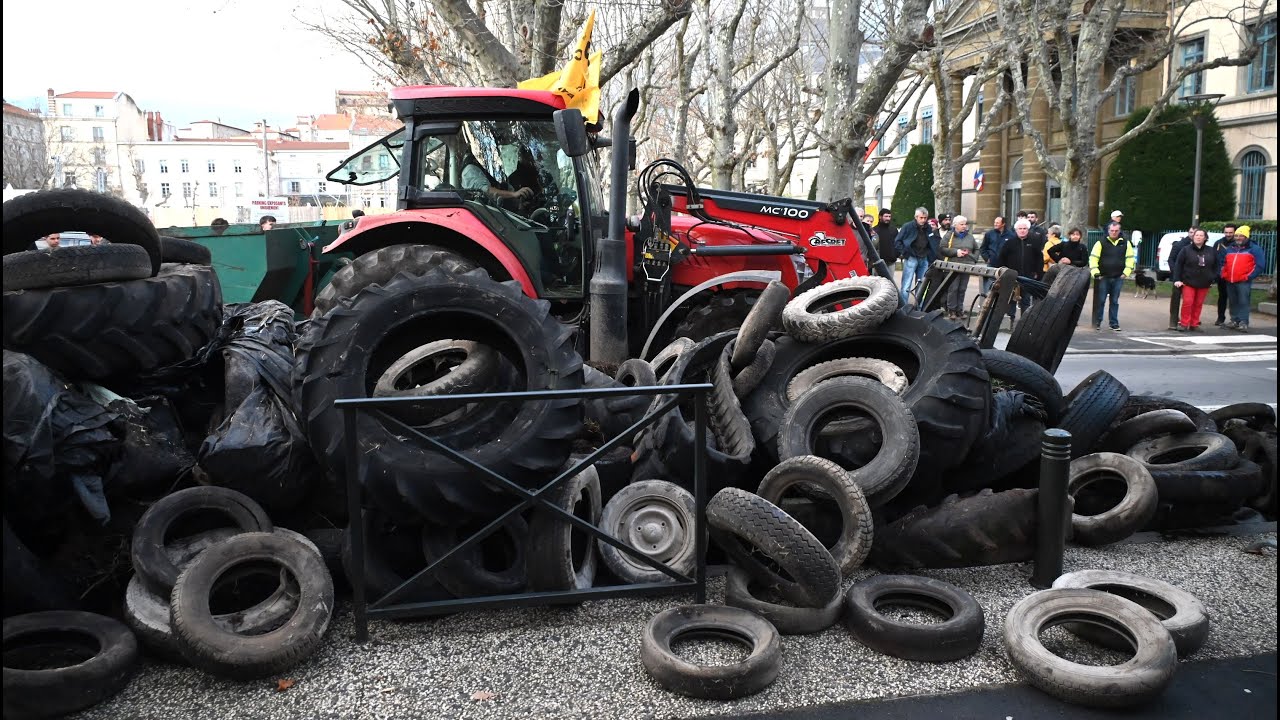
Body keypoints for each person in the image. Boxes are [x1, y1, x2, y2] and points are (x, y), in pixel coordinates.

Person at [994, 217, 1044, 325]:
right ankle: (1010, 321)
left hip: (1028, 277)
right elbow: (1002, 259)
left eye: (1024, 228)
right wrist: (1001, 273)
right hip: (1012, 277)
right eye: (1020, 228)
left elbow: (1039, 259)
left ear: (1028, 229)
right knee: (1011, 299)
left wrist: (1038, 273)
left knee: (1026, 300)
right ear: (1016, 230)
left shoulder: (1034, 242)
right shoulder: (1010, 243)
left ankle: (1024, 322)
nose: (1022, 230)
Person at [1088, 221, 1134, 331]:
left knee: (1114, 301)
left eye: (1116, 231)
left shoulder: (1126, 243)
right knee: (1101, 300)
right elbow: (1093, 258)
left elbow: (1130, 258)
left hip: (1118, 277)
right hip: (1103, 276)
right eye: (1112, 231)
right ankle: (1097, 322)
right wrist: (1096, 272)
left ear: (1119, 231)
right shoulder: (1100, 242)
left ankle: (1113, 323)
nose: (1114, 232)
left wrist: (1126, 272)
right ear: (1108, 231)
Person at [1171, 228, 1220, 332]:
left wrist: (1213, 277)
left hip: (1204, 282)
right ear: (1193, 237)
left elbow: (1217, 266)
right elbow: (1178, 265)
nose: (1198, 237)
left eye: (1201, 235)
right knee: (1188, 302)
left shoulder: (1211, 251)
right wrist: (1177, 279)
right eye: (1196, 235)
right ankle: (1184, 323)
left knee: (1198, 304)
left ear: (1205, 238)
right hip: (1188, 281)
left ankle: (1194, 323)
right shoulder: (1185, 250)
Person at [1219, 225, 1265, 332]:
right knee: (1233, 301)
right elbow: (1224, 263)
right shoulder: (1230, 248)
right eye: (1236, 235)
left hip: (1244, 280)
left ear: (1246, 237)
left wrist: (1248, 276)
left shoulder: (1254, 249)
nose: (1238, 238)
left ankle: (1243, 322)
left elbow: (1260, 265)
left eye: (1241, 236)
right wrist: (1224, 273)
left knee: (1243, 301)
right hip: (1230, 279)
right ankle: (1234, 320)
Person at [893, 207, 939, 305]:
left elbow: (932, 243)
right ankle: (903, 307)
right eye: (921, 218)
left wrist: (931, 256)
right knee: (906, 285)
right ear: (916, 217)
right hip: (911, 258)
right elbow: (897, 241)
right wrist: (906, 254)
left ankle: (919, 307)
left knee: (922, 285)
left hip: (924, 258)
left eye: (925, 218)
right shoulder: (908, 226)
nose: (923, 220)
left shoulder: (928, 228)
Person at [938, 214, 979, 321]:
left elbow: (976, 249)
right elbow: (942, 248)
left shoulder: (970, 236)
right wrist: (956, 252)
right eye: (961, 224)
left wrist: (973, 258)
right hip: (952, 266)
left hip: (966, 265)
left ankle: (959, 310)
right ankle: (951, 310)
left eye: (965, 224)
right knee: (953, 288)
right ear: (955, 225)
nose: (964, 226)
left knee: (962, 289)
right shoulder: (949, 235)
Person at [1166, 227, 1195, 330]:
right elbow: (1171, 259)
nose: (1193, 234)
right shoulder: (1179, 244)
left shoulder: (1199, 247)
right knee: (1176, 298)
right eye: (1191, 232)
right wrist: (1176, 273)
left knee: (1191, 300)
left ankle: (1190, 320)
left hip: (1192, 277)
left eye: (1195, 233)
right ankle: (1173, 321)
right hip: (1179, 276)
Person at [979, 215, 1013, 296]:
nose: (995, 224)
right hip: (992, 265)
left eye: (997, 223)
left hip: (1005, 266)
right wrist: (987, 259)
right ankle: (987, 305)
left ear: (1003, 224)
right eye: (994, 222)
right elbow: (983, 248)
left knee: (1003, 289)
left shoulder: (1011, 235)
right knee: (990, 288)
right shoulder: (989, 234)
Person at [1213, 224, 1237, 326]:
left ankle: (1235, 319)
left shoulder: (1238, 244)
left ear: (1235, 232)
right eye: (1226, 232)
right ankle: (1220, 318)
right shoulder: (1218, 243)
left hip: (1234, 275)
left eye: (1230, 232)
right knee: (1222, 297)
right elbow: (1213, 258)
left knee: (1234, 298)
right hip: (1221, 275)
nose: (1228, 234)